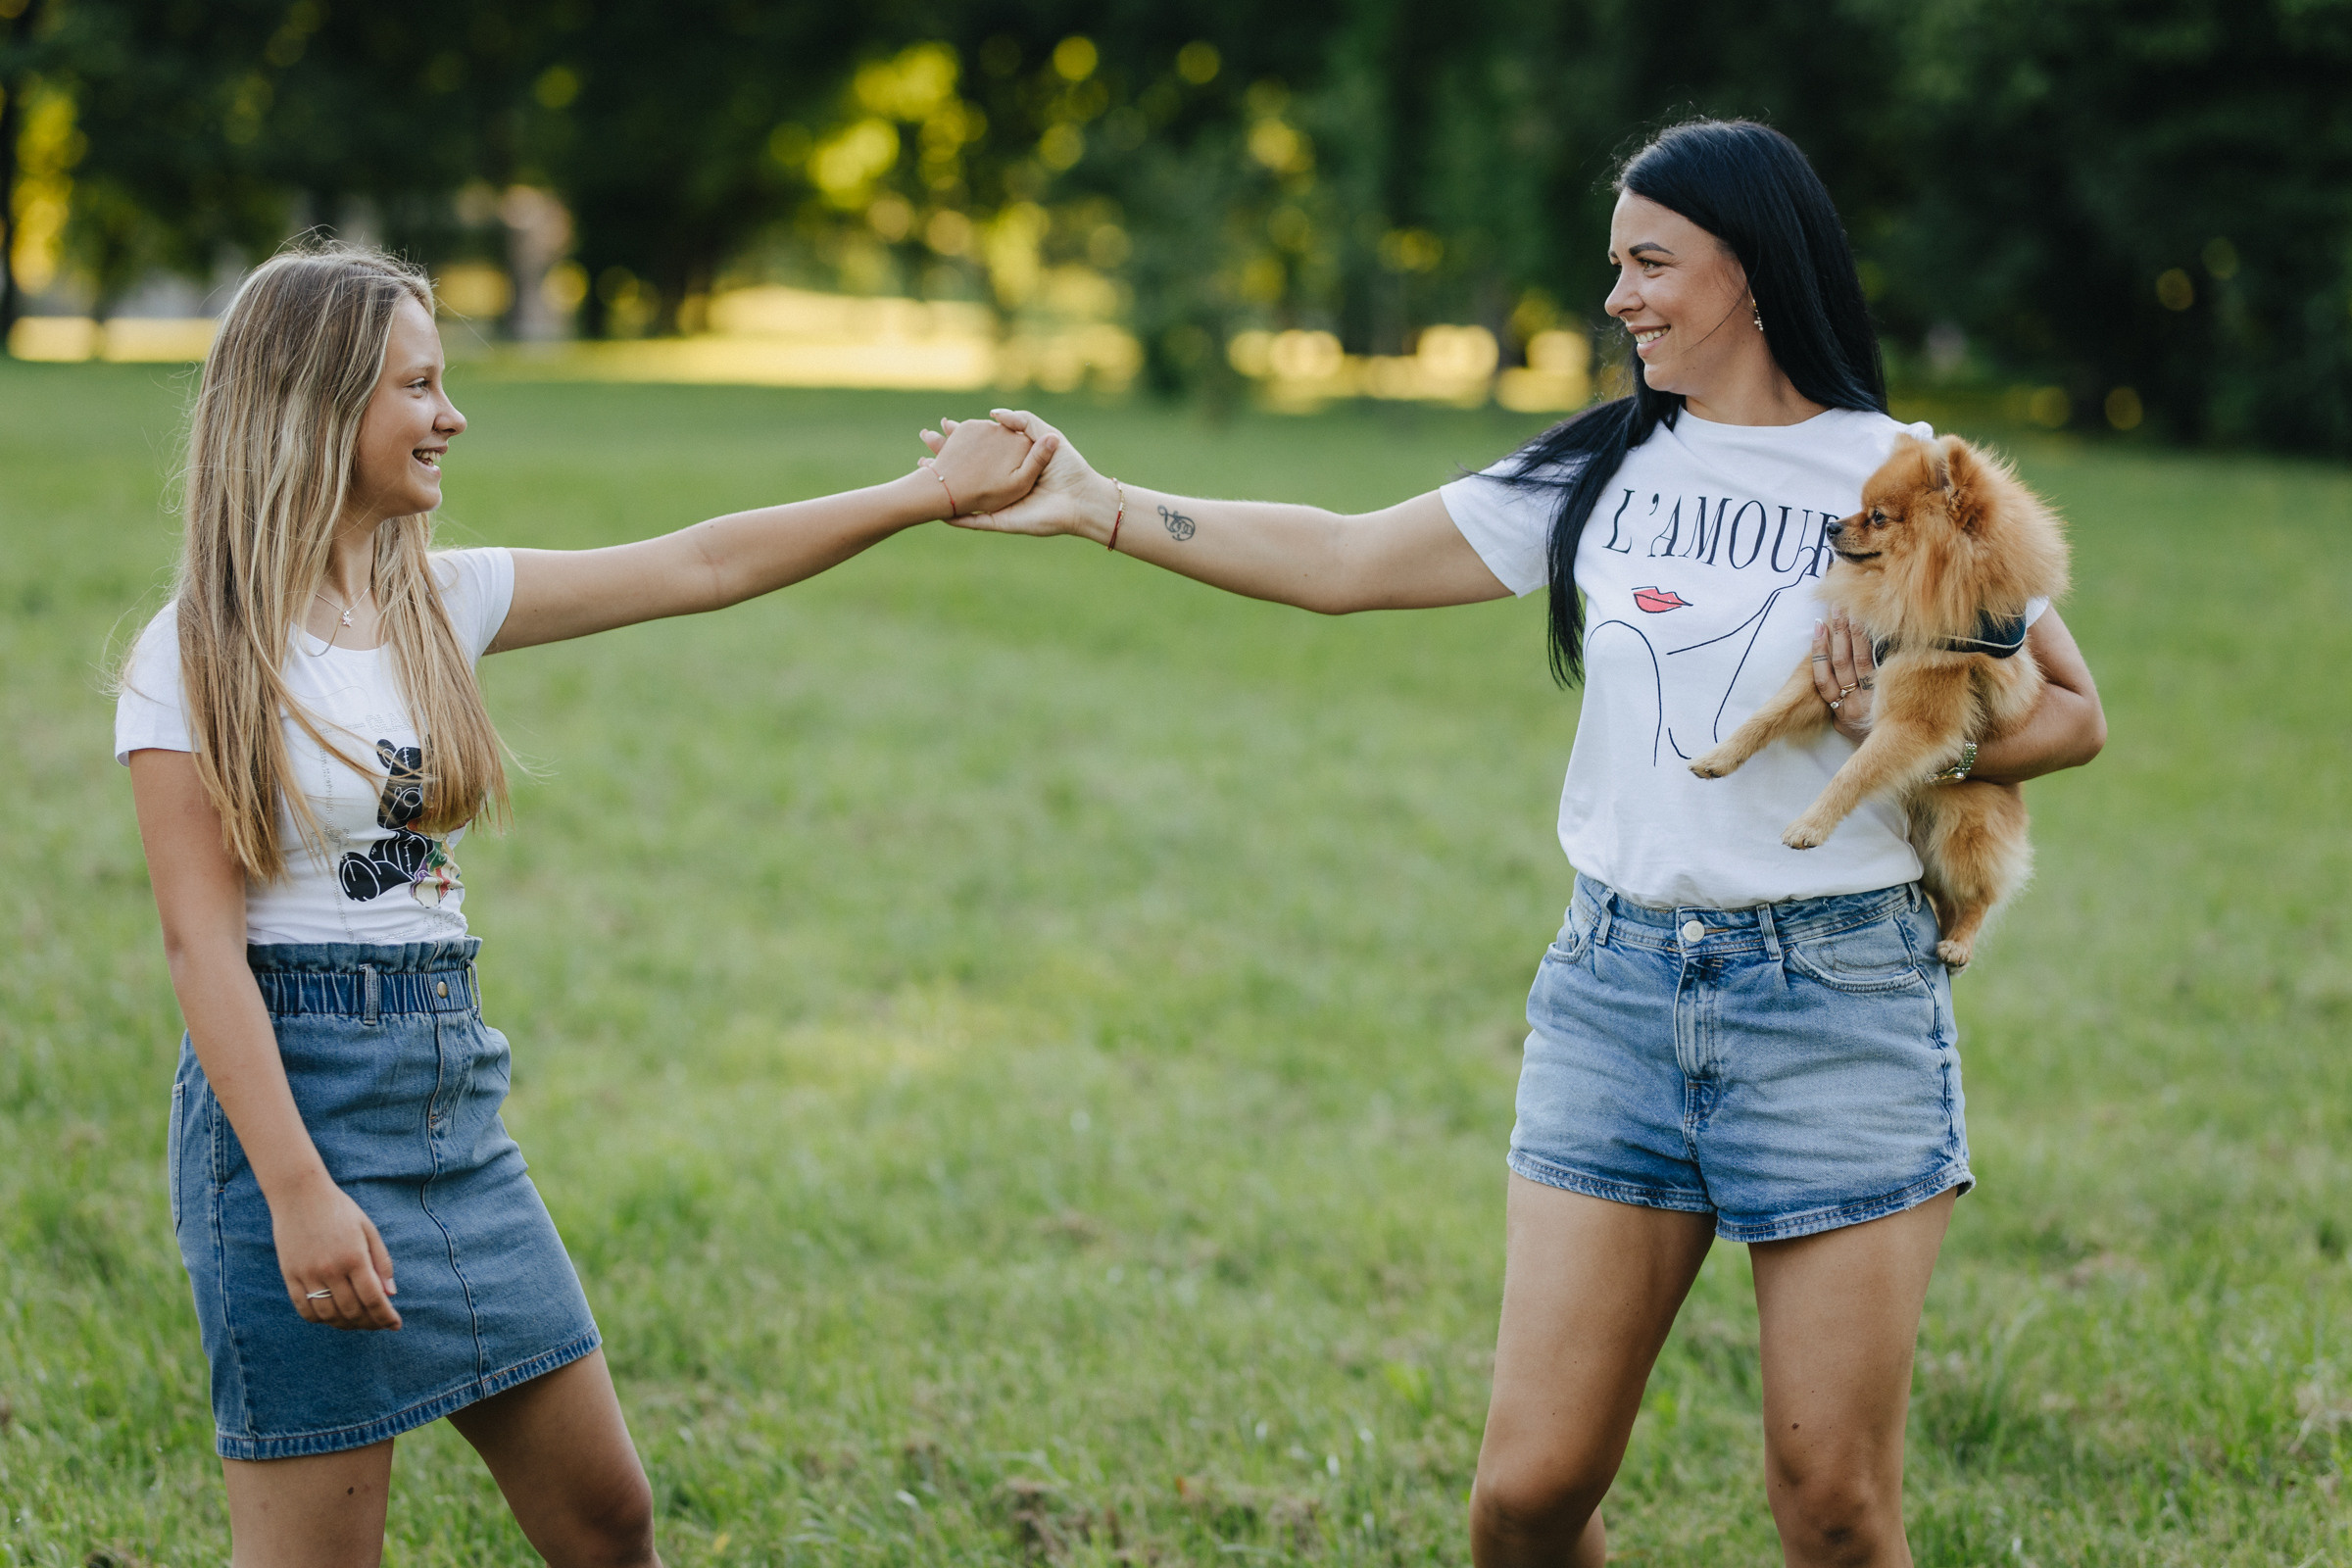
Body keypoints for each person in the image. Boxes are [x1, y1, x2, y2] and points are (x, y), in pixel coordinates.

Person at [937, 121, 2104, 1565]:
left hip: (1836, 1003)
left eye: (1650, 262)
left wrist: (1919, 727)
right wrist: (1099, 505)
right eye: (1614, 265)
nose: (1618, 296)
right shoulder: (1602, 466)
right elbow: (1347, 560)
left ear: (1751, 271)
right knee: (1527, 1496)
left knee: (1836, 1508)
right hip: (1615, 992)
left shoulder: (1897, 470)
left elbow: (2072, 711)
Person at [115, 242, 1049, 1566]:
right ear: (318, 408)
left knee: (608, 1515)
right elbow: (199, 945)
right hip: (294, 1105)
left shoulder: (436, 601)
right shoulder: (195, 653)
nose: (453, 415)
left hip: (448, 1101)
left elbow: (703, 565)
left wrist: (919, 494)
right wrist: (297, 1191)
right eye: (419, 387)